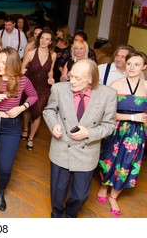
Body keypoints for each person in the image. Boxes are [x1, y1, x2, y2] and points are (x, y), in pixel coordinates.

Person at [43, 59, 117, 218]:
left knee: (80, 195)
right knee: (58, 191)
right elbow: (49, 111)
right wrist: (54, 124)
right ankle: (56, 215)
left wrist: (89, 133)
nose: (72, 81)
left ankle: (70, 216)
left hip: (87, 151)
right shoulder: (59, 89)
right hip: (62, 147)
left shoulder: (108, 94)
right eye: (71, 75)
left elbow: (109, 125)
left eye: (78, 78)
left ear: (90, 79)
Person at [0, 47, 38, 211]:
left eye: (4, 63)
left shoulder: (22, 80)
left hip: (11, 127)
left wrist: (22, 107)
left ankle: (0, 191)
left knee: (5, 166)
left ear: (12, 64)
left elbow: (34, 96)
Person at [96, 51, 147, 217]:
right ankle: (104, 186)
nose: (132, 67)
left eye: (137, 64)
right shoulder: (115, 85)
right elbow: (107, 113)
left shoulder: (146, 86)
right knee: (107, 160)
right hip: (115, 129)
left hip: (136, 134)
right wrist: (133, 116)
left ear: (144, 67)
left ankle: (114, 196)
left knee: (127, 165)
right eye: (130, 63)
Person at [21, 28, 57, 150]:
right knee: (27, 109)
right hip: (29, 85)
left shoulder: (53, 55)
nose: (43, 41)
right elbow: (22, 67)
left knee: (38, 111)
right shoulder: (31, 53)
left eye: (47, 39)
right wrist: (22, 71)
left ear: (51, 42)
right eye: (42, 38)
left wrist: (50, 78)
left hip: (43, 87)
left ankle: (31, 138)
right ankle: (25, 129)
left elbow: (50, 70)